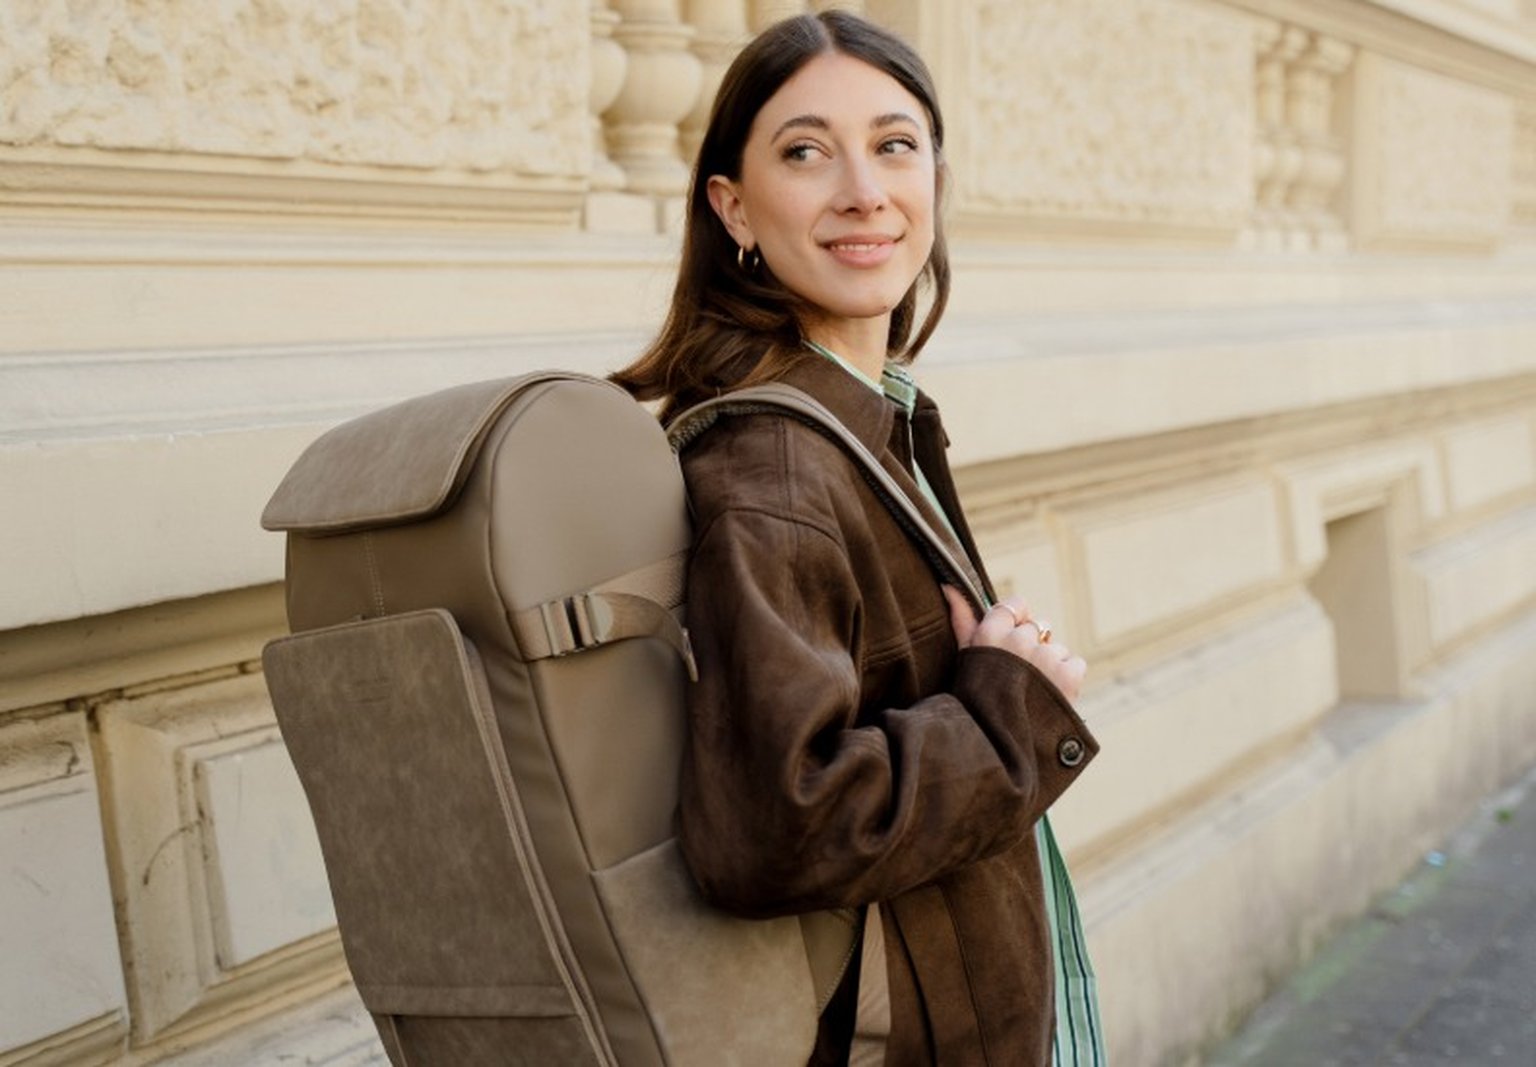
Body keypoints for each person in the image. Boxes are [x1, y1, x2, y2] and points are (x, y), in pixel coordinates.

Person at [612, 12, 1103, 1066]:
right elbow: (777, 825)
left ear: (934, 176)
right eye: (804, 152)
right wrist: (1008, 711)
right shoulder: (774, 466)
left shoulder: (868, 418)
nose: (863, 192)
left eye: (893, 144)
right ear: (732, 207)